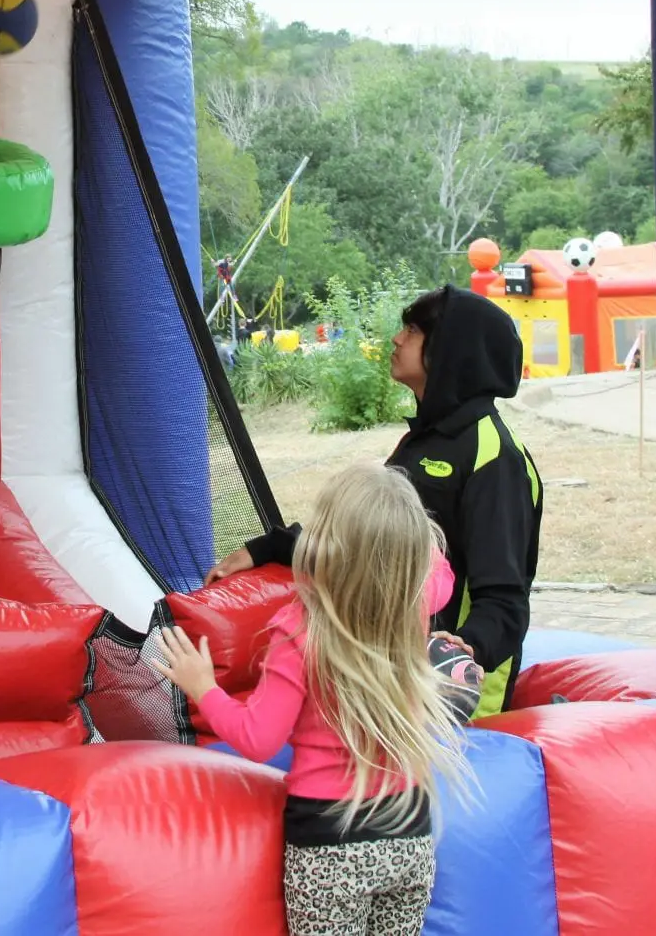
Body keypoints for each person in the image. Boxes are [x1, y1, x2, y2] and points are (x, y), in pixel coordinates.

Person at [161, 464, 471, 936]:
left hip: (331, 841)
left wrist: (203, 687)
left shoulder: (300, 630)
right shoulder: (413, 601)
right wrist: (401, 533)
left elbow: (259, 738)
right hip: (410, 828)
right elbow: (439, 571)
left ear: (324, 544)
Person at [207, 286, 542, 716]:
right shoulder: (420, 444)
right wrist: (270, 548)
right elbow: (370, 550)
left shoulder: (495, 459)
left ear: (452, 350)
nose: (397, 339)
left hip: (453, 699)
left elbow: (504, 600)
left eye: (414, 330)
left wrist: (463, 652)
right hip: (391, 677)